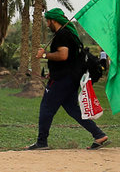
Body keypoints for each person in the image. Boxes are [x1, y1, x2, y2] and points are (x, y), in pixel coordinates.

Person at [25, 8, 109, 150]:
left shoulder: (62, 35)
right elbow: (69, 60)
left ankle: (41, 142)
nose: (47, 24)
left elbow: (63, 55)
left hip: (62, 80)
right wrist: (52, 71)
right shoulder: (69, 34)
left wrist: (44, 55)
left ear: (53, 20)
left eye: (48, 21)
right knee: (72, 109)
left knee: (46, 107)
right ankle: (99, 135)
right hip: (69, 78)